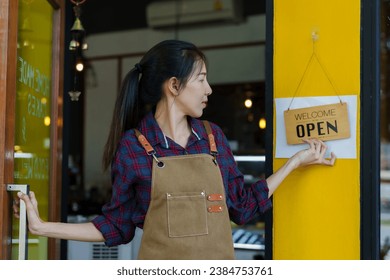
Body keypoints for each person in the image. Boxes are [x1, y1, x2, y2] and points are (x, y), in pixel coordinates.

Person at [15, 39, 336, 260]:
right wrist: (42, 227)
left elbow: (242, 208)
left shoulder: (213, 138)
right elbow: (116, 226)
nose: (209, 90)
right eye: (201, 80)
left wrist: (294, 162)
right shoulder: (134, 148)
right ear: (174, 86)